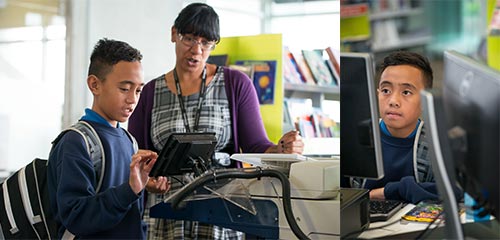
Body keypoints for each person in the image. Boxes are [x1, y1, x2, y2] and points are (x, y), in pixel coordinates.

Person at [128, 2, 304, 239]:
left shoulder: (235, 84)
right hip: (167, 211)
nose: (196, 50)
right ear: (173, 34)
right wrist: (147, 180)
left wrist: (281, 149)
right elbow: (137, 154)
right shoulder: (149, 92)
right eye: (189, 38)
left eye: (206, 43)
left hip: (222, 210)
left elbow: (256, 145)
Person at [47, 38, 168, 239]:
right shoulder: (75, 142)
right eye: (124, 88)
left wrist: (143, 185)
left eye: (138, 90)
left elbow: (131, 216)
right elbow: (76, 217)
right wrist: (129, 190)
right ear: (95, 85)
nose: (133, 99)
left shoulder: (130, 141)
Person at [360, 51, 438, 204]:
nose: (393, 101)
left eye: (406, 92)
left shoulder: (436, 144)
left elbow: (453, 193)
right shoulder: (359, 139)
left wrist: (389, 191)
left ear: (425, 100)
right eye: (386, 91)